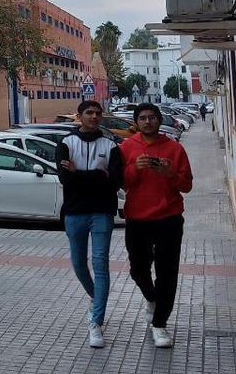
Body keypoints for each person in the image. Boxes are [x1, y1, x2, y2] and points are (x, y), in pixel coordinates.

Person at [119, 102, 193, 348]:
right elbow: (122, 183)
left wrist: (170, 173)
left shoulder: (174, 148)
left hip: (169, 218)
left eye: (152, 117)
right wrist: (134, 169)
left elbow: (187, 186)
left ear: (159, 120)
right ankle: (152, 298)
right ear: (136, 122)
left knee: (167, 272)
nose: (148, 121)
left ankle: (160, 324)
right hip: (137, 218)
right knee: (138, 269)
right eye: (143, 118)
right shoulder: (127, 147)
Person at [56, 99, 124, 348]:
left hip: (102, 212)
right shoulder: (65, 143)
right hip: (74, 212)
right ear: (79, 116)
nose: (94, 117)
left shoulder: (111, 145)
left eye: (97, 113)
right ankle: (98, 299)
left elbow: (114, 183)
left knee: (100, 263)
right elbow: (65, 180)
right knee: (78, 264)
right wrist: (97, 175)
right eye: (89, 113)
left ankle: (95, 321)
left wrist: (79, 174)